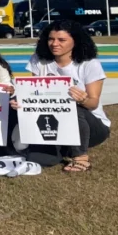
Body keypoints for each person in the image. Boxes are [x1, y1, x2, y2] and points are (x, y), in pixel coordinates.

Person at [19, 20, 110, 172]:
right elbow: (35, 94)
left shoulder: (90, 64)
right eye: (51, 39)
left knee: (72, 107)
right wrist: (22, 102)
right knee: (38, 159)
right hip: (52, 122)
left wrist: (83, 100)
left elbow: (93, 103)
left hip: (91, 126)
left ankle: (81, 157)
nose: (54, 44)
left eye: (61, 40)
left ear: (76, 41)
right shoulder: (38, 60)